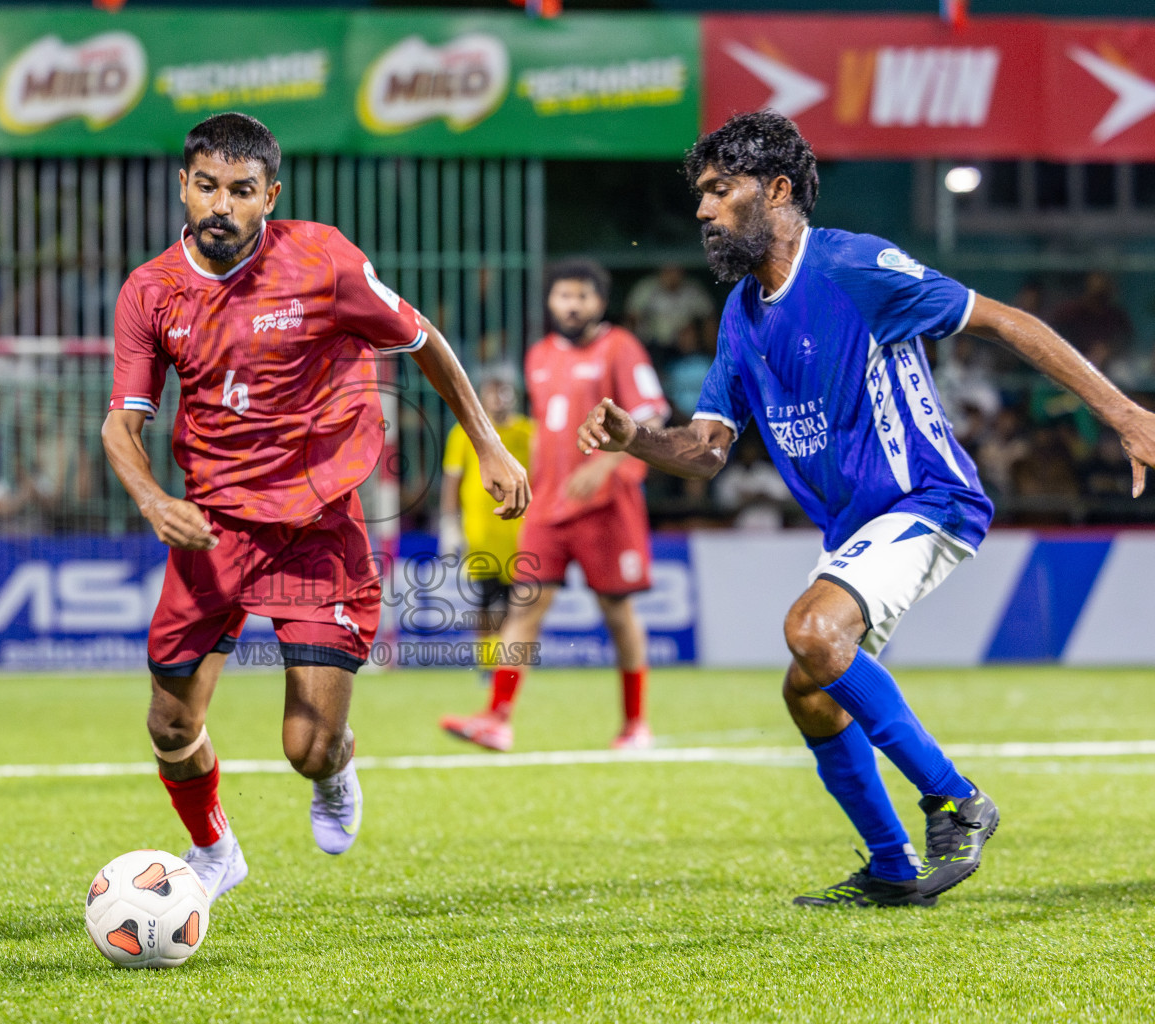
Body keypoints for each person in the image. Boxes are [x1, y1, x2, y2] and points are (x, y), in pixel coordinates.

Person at [579, 110, 1155, 908]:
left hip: (927, 498)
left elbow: (1005, 322)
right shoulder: (742, 316)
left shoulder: (855, 266)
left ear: (778, 191)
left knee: (811, 631)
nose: (704, 210)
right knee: (808, 690)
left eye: (720, 191)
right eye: (701, 195)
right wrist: (636, 438)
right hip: (859, 528)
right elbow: (708, 451)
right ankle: (891, 866)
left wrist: (1124, 414)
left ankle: (956, 800)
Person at [101, 113, 529, 901]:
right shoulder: (151, 291)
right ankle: (215, 850)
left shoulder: (322, 259)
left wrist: (490, 442)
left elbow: (423, 340)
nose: (220, 205)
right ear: (182, 186)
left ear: (271, 196)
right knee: (168, 724)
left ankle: (336, 767)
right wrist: (155, 500)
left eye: (240, 190)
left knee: (307, 746)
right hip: (211, 529)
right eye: (205, 186)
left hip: (316, 524)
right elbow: (120, 422)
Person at [441, 259, 669, 752]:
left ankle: (635, 725)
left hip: (608, 503)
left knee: (617, 612)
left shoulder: (620, 347)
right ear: (551, 302)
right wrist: (530, 487)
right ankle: (497, 718)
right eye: (563, 296)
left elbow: (653, 412)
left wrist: (606, 465)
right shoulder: (540, 356)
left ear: (599, 303)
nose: (572, 305)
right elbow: (546, 432)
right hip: (550, 506)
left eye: (582, 296)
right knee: (525, 607)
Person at [439, 364, 534, 669]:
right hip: (480, 530)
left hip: (518, 531)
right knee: (484, 598)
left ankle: (505, 660)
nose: (499, 399)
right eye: (492, 393)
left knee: (511, 601)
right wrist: (449, 524)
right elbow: (452, 479)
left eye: (504, 392)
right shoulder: (465, 432)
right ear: (481, 398)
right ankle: (487, 661)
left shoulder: (527, 432)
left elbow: (542, 477)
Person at [624, 263, 716, 356]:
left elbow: (709, 319)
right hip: (652, 344)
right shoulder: (646, 287)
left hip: (682, 345)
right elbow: (631, 318)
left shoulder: (693, 289)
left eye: (676, 270)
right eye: (668, 270)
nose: (672, 275)